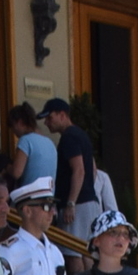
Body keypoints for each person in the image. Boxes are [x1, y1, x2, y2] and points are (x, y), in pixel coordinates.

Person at [44, 98, 96, 248]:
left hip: (77, 204)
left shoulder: (69, 137)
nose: (47, 123)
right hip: (88, 201)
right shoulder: (81, 134)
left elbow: (79, 170)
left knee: (72, 251)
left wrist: (70, 203)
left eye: (50, 117)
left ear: (62, 115)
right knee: (85, 250)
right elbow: (92, 169)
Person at [9, 104, 57, 191]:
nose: (13, 131)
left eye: (12, 126)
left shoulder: (25, 140)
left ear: (19, 122)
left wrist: (8, 169)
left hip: (30, 197)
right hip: (48, 197)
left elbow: (16, 173)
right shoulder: (50, 143)